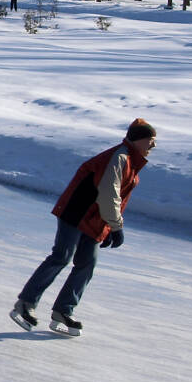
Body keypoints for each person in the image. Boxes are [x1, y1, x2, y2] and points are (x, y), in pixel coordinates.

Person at [10, 118, 157, 336]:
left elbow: (111, 199)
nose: (153, 146)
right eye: (150, 140)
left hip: (94, 218)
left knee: (87, 263)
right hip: (75, 211)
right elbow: (109, 194)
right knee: (61, 256)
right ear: (137, 140)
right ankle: (25, 303)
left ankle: (63, 311)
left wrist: (107, 226)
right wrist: (115, 227)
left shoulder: (131, 160)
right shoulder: (120, 158)